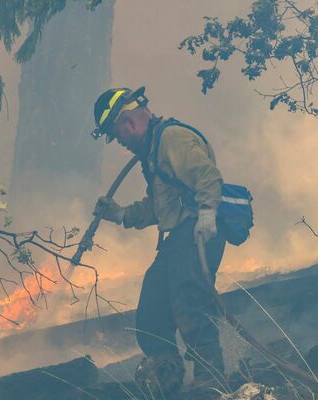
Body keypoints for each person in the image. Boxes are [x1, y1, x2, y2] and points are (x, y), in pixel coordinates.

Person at [90, 87, 226, 392]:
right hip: (177, 238)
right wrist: (121, 213)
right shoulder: (152, 151)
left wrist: (206, 217)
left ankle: (211, 382)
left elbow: (208, 178)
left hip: (195, 234)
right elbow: (158, 204)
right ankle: (168, 377)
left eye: (116, 134)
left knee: (190, 304)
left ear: (128, 122)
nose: (121, 143)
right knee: (152, 309)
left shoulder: (172, 139)